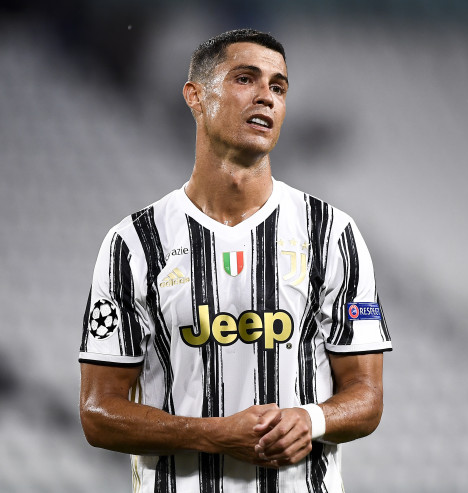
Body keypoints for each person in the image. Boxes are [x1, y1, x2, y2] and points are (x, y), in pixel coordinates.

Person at [79, 28, 392, 493]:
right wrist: (213, 434)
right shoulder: (133, 243)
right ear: (195, 96)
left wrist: (311, 419)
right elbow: (98, 413)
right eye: (245, 79)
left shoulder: (331, 234)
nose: (266, 96)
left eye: (278, 87)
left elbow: (367, 397)